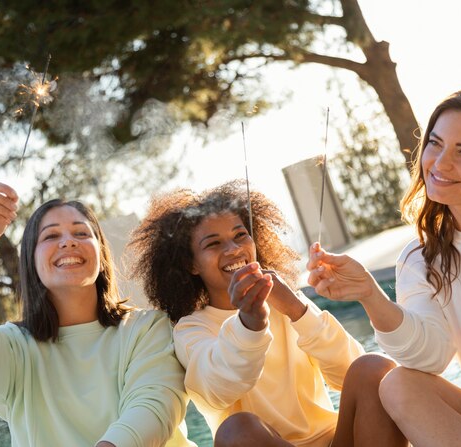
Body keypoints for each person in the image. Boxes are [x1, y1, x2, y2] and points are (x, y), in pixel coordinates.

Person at [307, 85, 461, 446]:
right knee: (398, 384)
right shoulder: (420, 259)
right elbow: (430, 357)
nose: (439, 164)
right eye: (435, 144)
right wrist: (369, 295)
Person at [126, 180, 407, 447]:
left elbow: (348, 373)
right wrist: (251, 323)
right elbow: (220, 387)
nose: (234, 249)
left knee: (374, 367)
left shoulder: (287, 304)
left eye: (240, 235)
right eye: (213, 244)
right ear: (191, 265)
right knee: (237, 430)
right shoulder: (190, 329)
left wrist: (298, 310)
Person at [0, 181, 194, 447]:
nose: (68, 242)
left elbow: (154, 405)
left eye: (81, 234)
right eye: (50, 236)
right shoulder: (14, 351)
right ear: (31, 260)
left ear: (101, 253)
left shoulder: (146, 328)